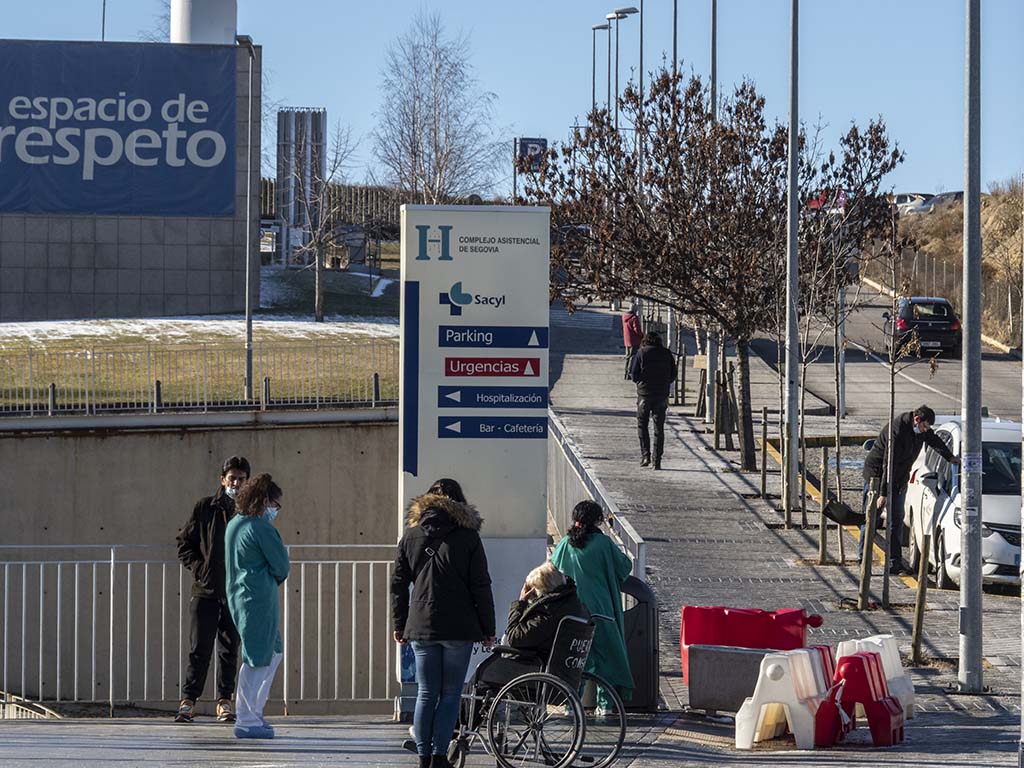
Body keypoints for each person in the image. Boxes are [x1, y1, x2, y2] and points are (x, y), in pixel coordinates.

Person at [391, 478, 496, 768]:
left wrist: (399, 624)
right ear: (459, 503)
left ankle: (423, 757)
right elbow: (481, 586)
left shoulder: (410, 536)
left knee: (426, 692)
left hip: (421, 625)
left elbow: (398, 585)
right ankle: (440, 756)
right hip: (459, 627)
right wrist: (488, 629)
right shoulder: (468, 537)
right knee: (450, 693)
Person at [174, 455, 250, 724]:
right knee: (200, 649)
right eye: (232, 478)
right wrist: (200, 568)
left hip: (235, 594)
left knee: (230, 649)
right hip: (205, 591)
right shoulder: (206, 508)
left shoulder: (249, 511)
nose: (236, 483)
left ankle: (224, 701)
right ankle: (188, 701)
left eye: (241, 479)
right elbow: (184, 543)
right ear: (222, 479)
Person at [550, 500, 633, 714]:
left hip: (573, 612)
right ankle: (605, 705)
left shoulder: (565, 544)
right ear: (597, 520)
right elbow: (624, 566)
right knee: (606, 657)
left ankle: (571, 704)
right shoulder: (603, 544)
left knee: (576, 658)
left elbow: (553, 571)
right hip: (602, 611)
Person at [224, 473, 290, 740]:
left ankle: (252, 712)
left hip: (242, 597)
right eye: (275, 504)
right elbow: (281, 566)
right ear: (264, 501)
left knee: (272, 652)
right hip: (257, 599)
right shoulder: (260, 528)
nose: (276, 509)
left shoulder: (235, 524)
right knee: (258, 659)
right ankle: (247, 717)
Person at [861, 405, 960, 574]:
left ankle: (894, 563)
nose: (925, 430)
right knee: (871, 519)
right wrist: (883, 493)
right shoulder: (897, 429)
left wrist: (950, 458)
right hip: (877, 477)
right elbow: (888, 463)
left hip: (900, 479)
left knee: (896, 520)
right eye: (925, 426)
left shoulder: (922, 430)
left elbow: (934, 441)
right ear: (917, 419)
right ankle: (863, 559)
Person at [473, 561, 589, 690]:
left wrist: (521, 603)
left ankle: (462, 710)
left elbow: (514, 638)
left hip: (537, 670)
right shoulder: (574, 606)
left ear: (541, 591)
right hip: (561, 672)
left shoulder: (548, 612)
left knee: (480, 677)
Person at [629, 330, 676, 469]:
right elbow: (673, 374)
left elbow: (633, 374)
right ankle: (657, 460)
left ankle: (645, 455)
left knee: (642, 425)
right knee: (659, 428)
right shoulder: (667, 354)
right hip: (661, 394)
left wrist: (640, 382)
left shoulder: (641, 353)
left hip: (644, 394)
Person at [621, 304, 643, 379]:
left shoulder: (624, 317)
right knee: (633, 357)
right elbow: (636, 329)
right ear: (635, 310)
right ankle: (630, 373)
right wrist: (642, 335)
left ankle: (626, 372)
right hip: (634, 340)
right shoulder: (634, 318)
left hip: (627, 339)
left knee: (628, 356)